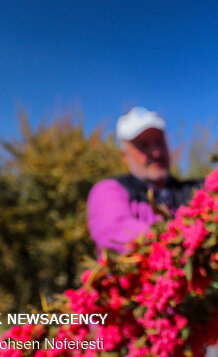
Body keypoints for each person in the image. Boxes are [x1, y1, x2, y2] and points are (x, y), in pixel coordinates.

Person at [86, 107, 201, 255]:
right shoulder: (109, 190)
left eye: (159, 143)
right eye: (143, 145)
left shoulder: (192, 191)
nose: (156, 152)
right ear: (124, 155)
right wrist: (180, 236)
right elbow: (115, 231)